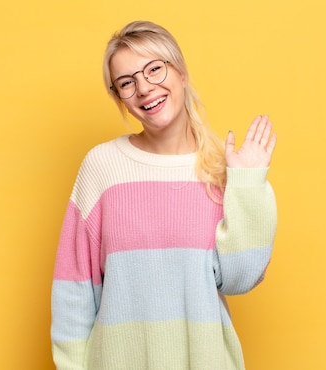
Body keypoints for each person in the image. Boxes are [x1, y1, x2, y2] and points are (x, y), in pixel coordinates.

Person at [51, 20, 277, 370]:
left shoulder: (223, 170)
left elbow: (239, 279)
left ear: (182, 72)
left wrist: (247, 183)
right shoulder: (102, 167)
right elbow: (74, 288)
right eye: (127, 83)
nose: (144, 88)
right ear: (120, 98)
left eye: (154, 69)